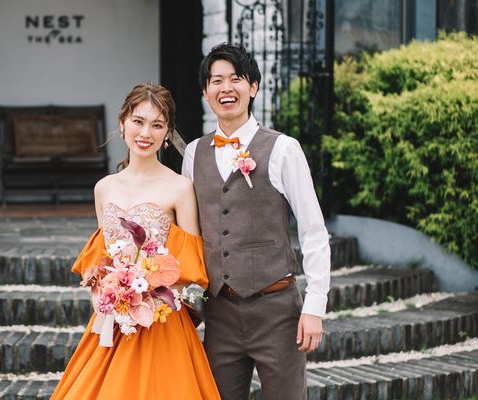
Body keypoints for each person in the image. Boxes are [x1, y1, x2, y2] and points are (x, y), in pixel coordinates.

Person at [50, 83, 221, 400]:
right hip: (113, 320)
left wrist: (146, 295)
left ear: (167, 133)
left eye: (157, 125)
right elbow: (103, 259)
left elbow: (191, 263)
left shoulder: (181, 188)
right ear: (122, 123)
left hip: (161, 320)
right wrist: (108, 295)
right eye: (138, 121)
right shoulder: (104, 188)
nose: (145, 133)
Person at [181, 43, 331, 399]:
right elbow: (190, 234)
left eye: (236, 78)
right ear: (205, 92)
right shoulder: (193, 153)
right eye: (216, 80)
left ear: (254, 87)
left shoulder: (284, 149)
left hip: (276, 310)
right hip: (219, 312)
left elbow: (313, 231)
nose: (226, 88)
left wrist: (314, 307)